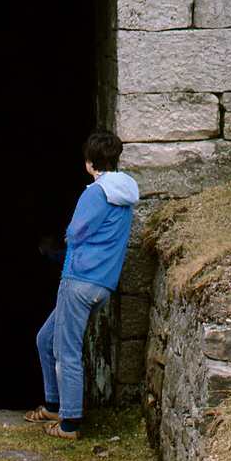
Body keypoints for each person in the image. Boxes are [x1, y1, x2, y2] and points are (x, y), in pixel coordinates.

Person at [28, 130, 139, 441]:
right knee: (45, 338)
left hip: (79, 280)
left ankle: (69, 423)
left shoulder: (95, 193)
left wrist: (59, 243)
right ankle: (53, 404)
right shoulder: (126, 194)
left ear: (90, 163)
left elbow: (75, 232)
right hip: (102, 283)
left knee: (67, 351)